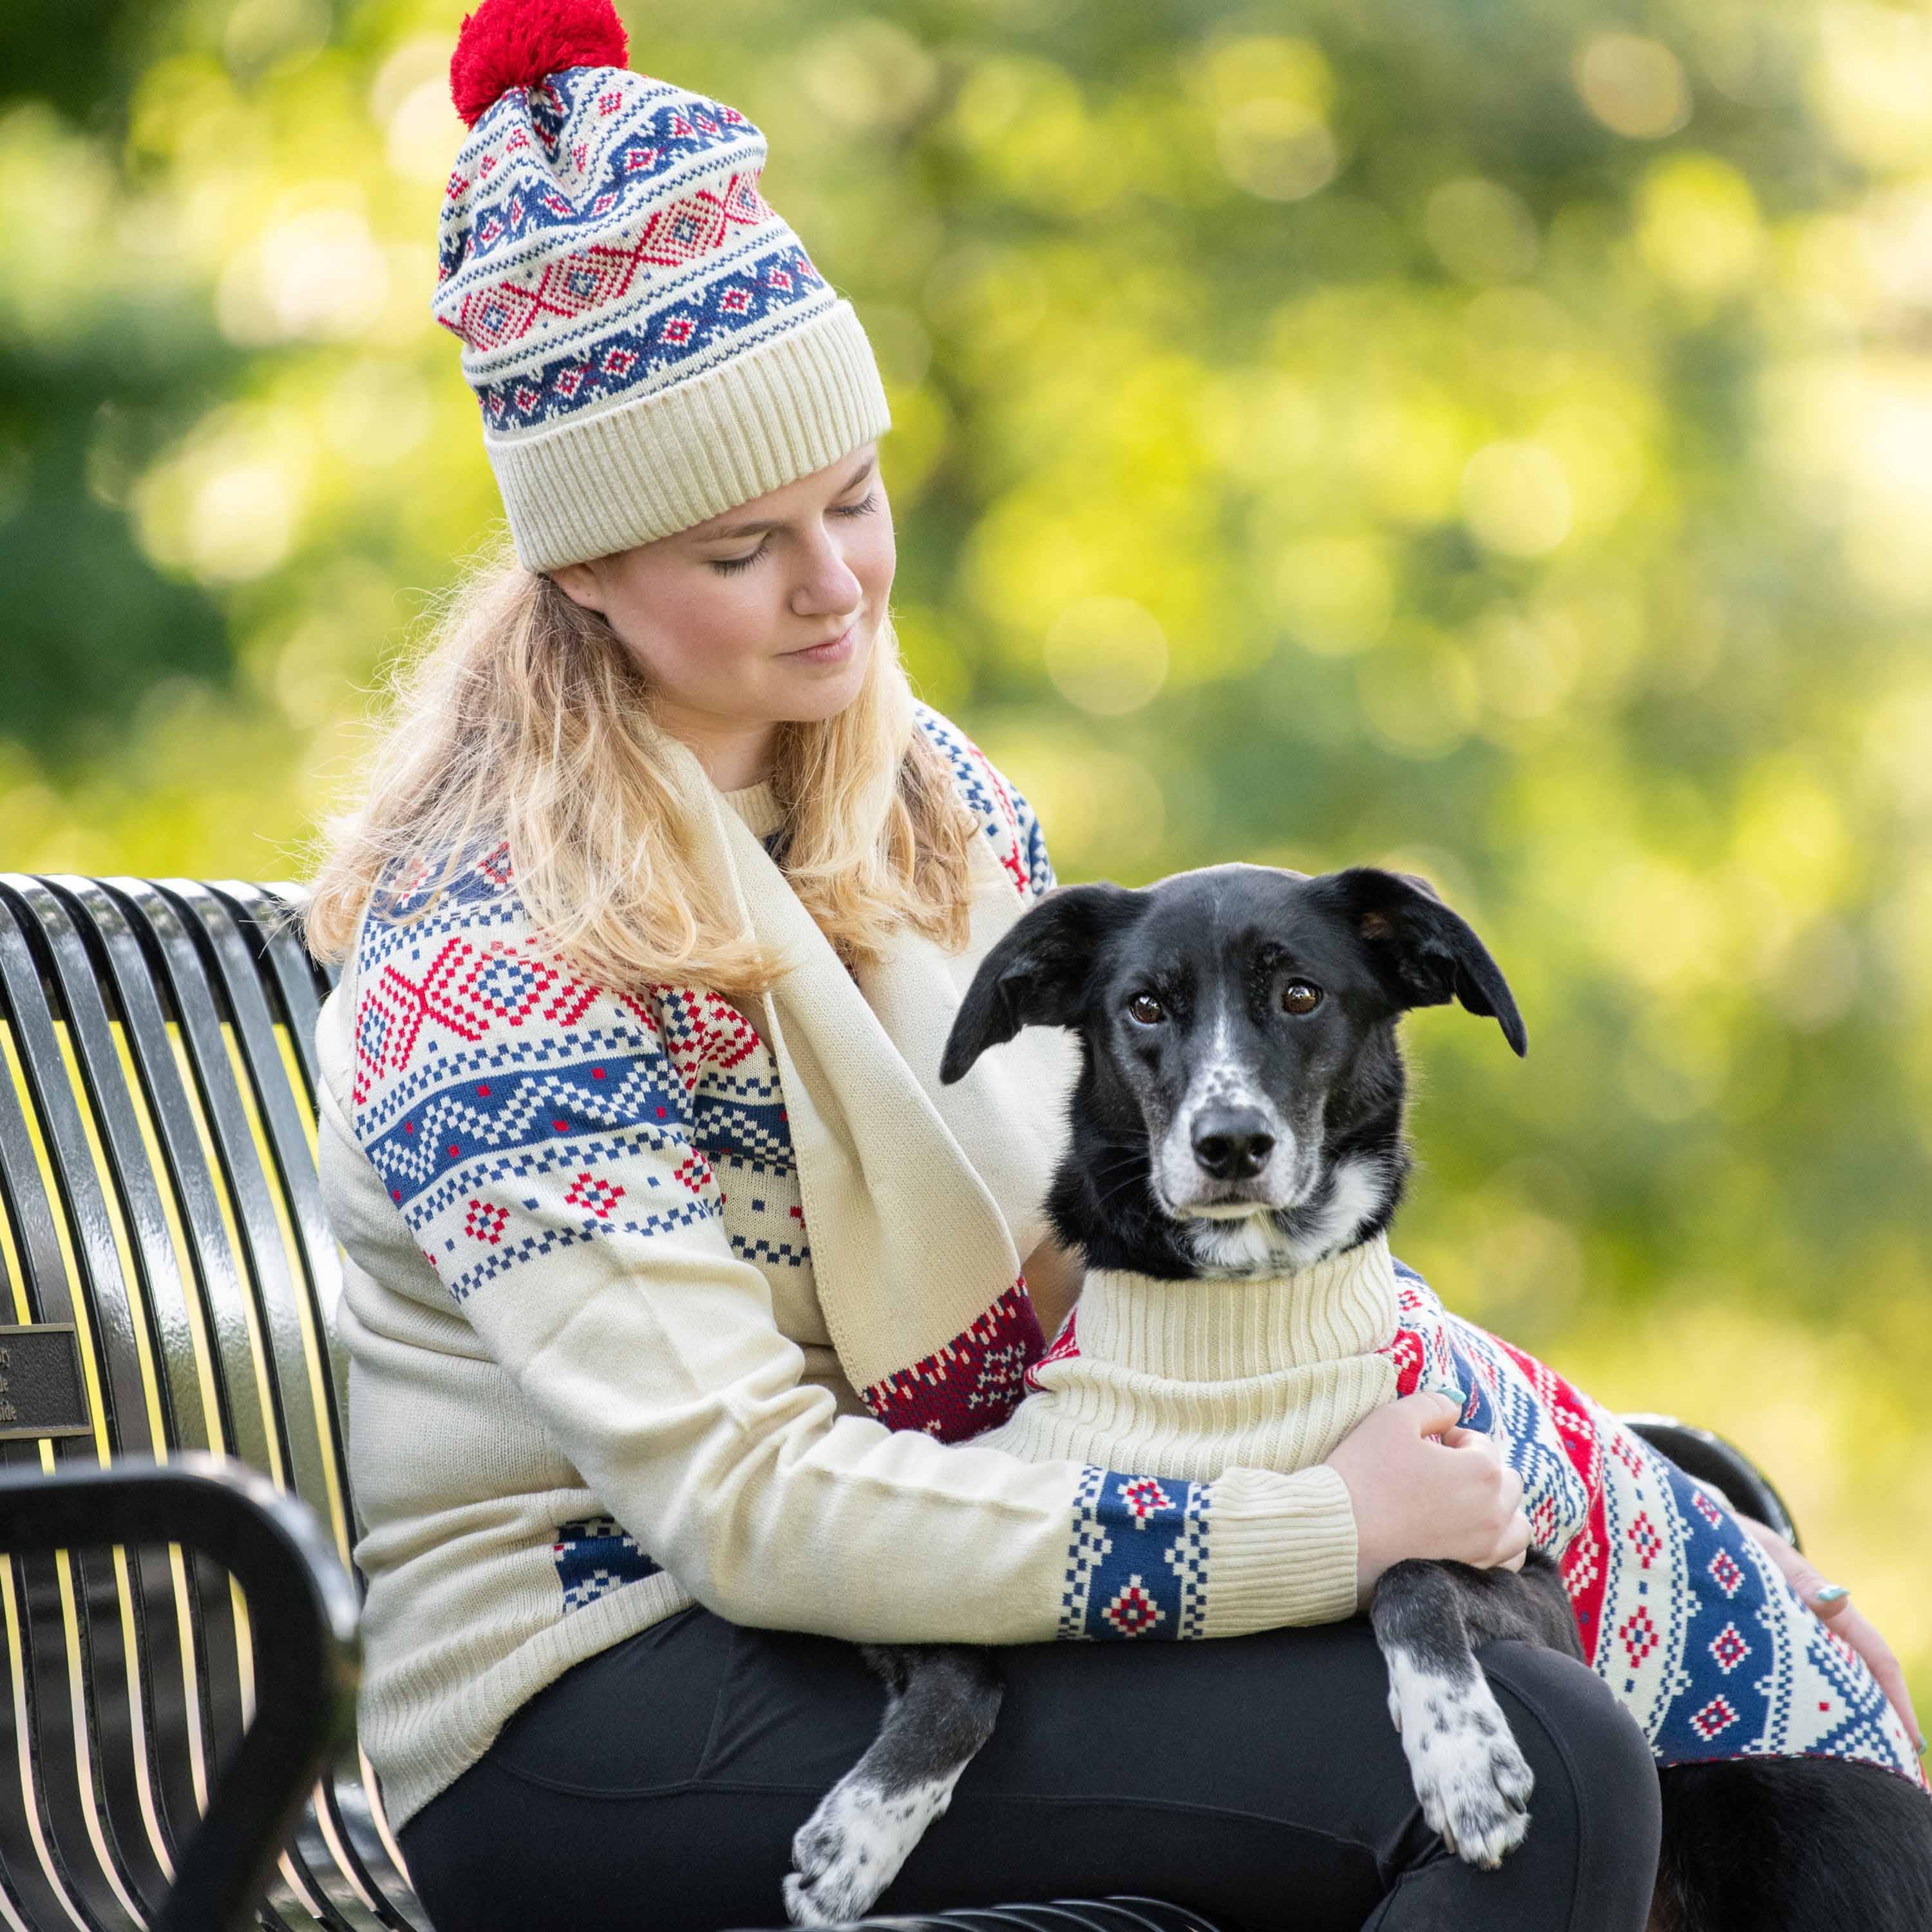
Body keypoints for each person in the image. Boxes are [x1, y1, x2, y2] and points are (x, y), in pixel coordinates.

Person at [299, 4, 1915, 1927]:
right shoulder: (492, 957)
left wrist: (1664, 1533)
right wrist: (1322, 1535)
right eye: (744, 547)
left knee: (1574, 1701)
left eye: (855, 498)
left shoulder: (922, 809)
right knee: (1528, 1772)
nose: (835, 584)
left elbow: (1152, 1274)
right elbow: (747, 1504)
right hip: (600, 1707)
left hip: (936, 1584)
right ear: (581, 571)